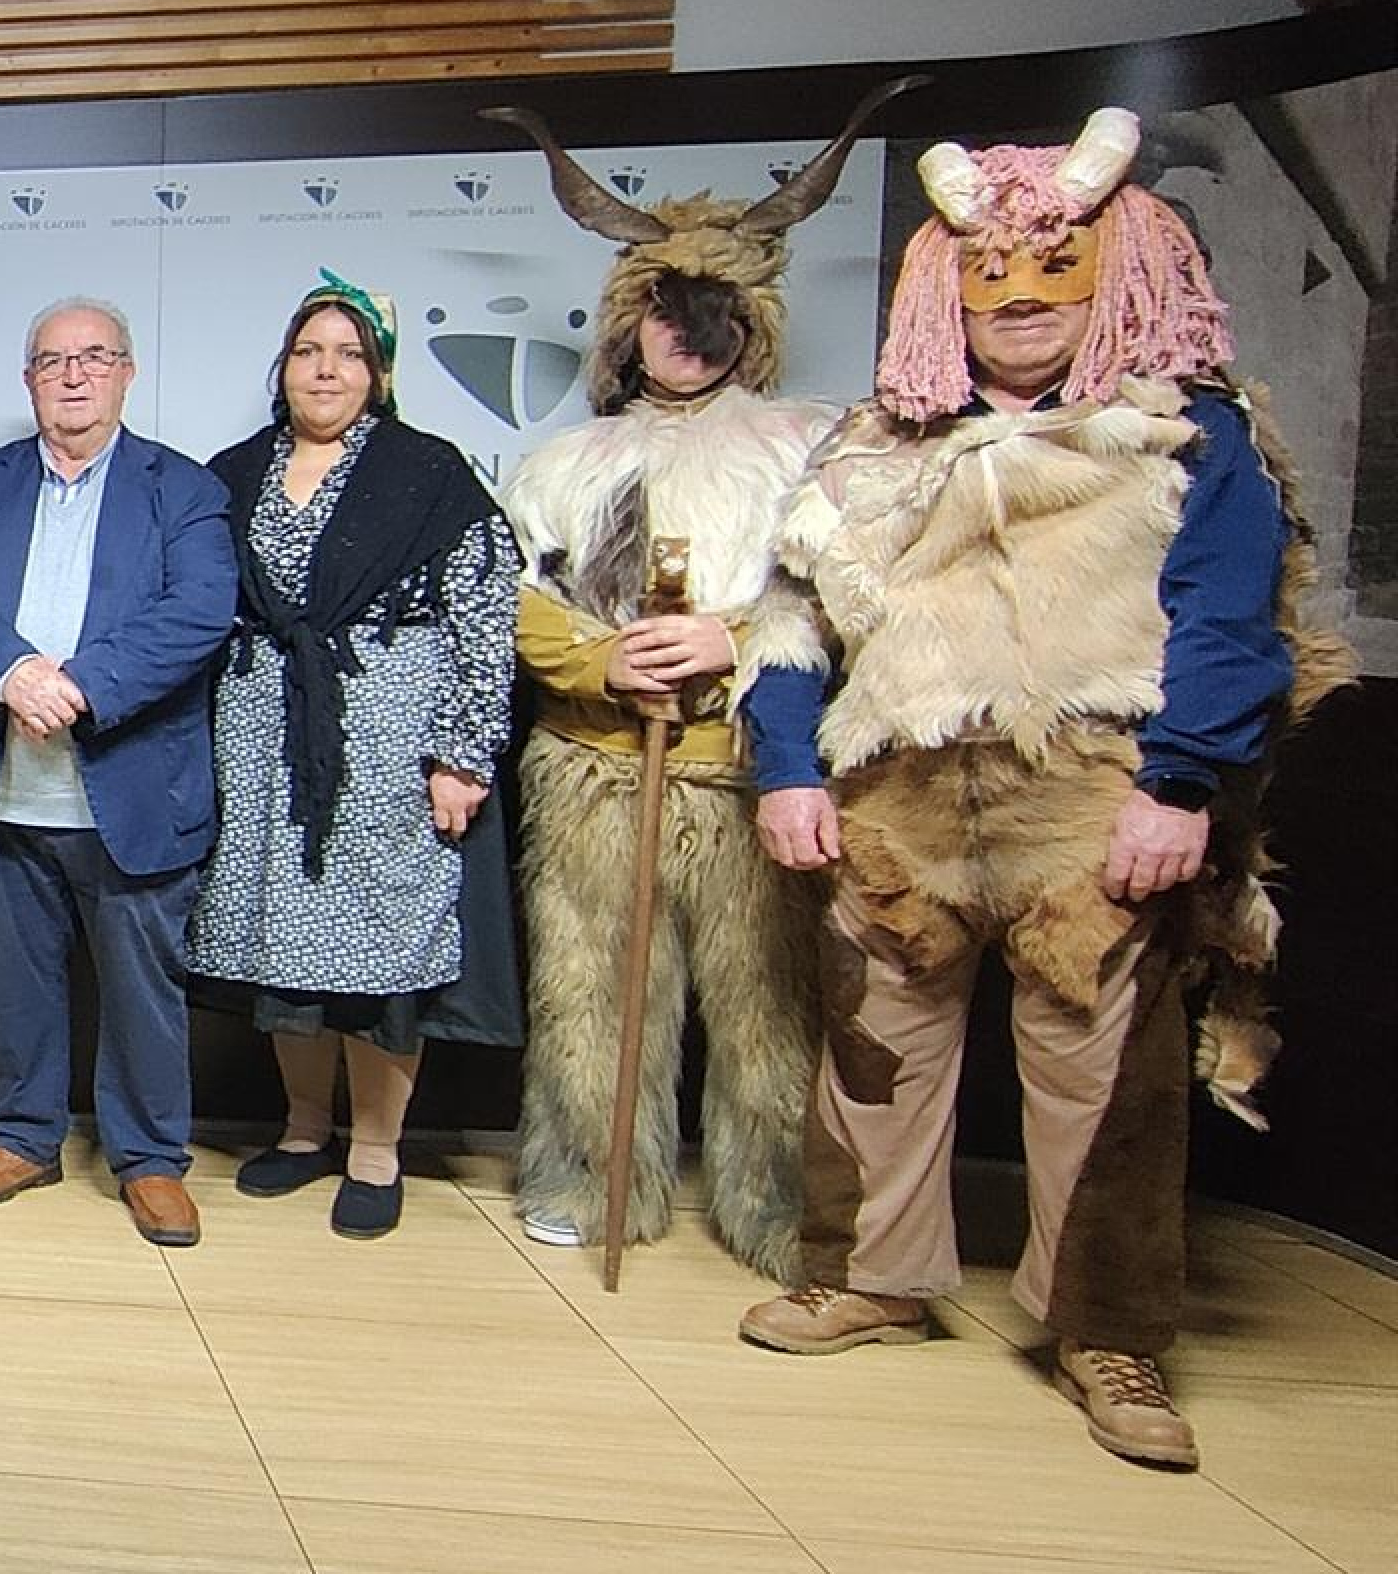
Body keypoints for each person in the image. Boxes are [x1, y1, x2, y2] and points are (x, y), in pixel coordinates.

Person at [736, 110, 1344, 1471]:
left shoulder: (1187, 433)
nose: (1016, 299)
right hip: (897, 794)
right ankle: (873, 1276)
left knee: (1108, 1081)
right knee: (875, 1057)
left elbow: (1231, 621)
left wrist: (1180, 788)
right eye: (988, 273)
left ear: (1119, 265)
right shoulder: (872, 441)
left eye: (1054, 266)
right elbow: (789, 617)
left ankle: (1107, 1330)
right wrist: (785, 766)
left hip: (1090, 789)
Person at [488, 91, 884, 1276]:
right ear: (628, 324)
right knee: (588, 997)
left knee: (769, 1009)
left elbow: (839, 591)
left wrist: (731, 637)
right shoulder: (562, 463)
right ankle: (586, 1185)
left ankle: (782, 1213)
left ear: (750, 322)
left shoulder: (810, 445)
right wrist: (597, 657)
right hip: (592, 768)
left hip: (741, 768)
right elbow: (512, 597)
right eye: (665, 312)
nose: (688, 336)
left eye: (713, 314)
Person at [184, 275, 523, 1240]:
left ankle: (375, 1150)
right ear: (283, 368)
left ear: (377, 375)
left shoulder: (430, 471)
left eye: (348, 355)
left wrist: (461, 752)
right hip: (260, 736)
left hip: (388, 737)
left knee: (380, 944)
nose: (325, 371)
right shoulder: (236, 469)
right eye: (307, 353)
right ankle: (302, 1131)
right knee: (282, 939)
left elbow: (486, 615)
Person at [0, 299, 233, 1238]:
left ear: (128, 371)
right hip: (5, 787)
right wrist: (12, 672)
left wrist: (80, 686)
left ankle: (150, 1158)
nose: (74, 375)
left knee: (144, 988)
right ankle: (23, 1137)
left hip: (127, 785)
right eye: (53, 361)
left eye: (94, 357)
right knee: (19, 980)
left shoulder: (183, 489)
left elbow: (200, 611)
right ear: (29, 381)